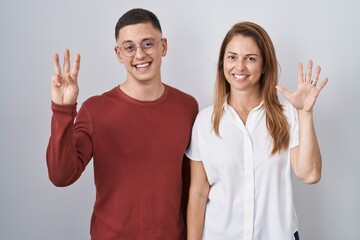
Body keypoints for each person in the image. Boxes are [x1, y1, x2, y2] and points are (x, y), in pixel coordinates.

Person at [46, 8, 198, 240]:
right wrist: (63, 110)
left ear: (163, 46)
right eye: (129, 47)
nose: (139, 54)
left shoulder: (187, 107)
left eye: (148, 43)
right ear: (118, 54)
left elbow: (189, 185)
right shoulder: (95, 110)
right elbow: (61, 176)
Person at [186, 21, 328, 240]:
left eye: (250, 58)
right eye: (232, 57)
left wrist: (305, 113)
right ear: (223, 62)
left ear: (263, 66)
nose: (239, 66)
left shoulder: (287, 114)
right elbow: (198, 193)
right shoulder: (205, 121)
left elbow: (309, 174)